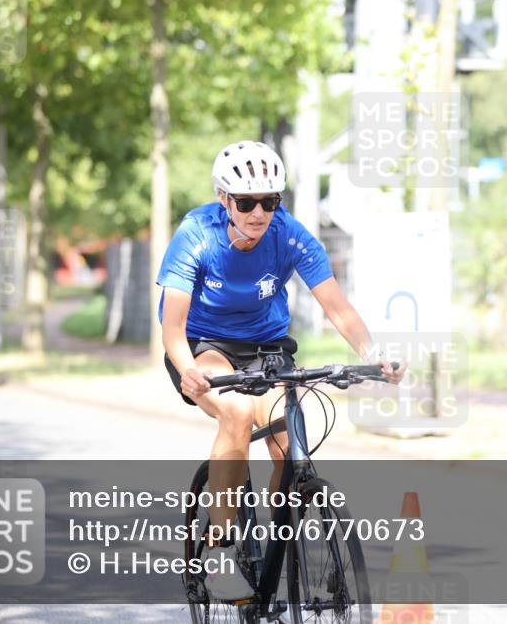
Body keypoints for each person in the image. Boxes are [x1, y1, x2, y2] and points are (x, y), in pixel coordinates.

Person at [157, 140, 405, 600]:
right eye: (247, 202)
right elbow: (172, 324)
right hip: (204, 346)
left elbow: (337, 307)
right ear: (224, 199)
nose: (259, 212)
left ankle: (277, 547)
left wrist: (373, 353)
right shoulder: (196, 233)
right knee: (234, 413)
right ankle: (221, 551)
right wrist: (187, 368)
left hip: (268, 348)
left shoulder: (288, 235)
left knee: (291, 441)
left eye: (270, 201)